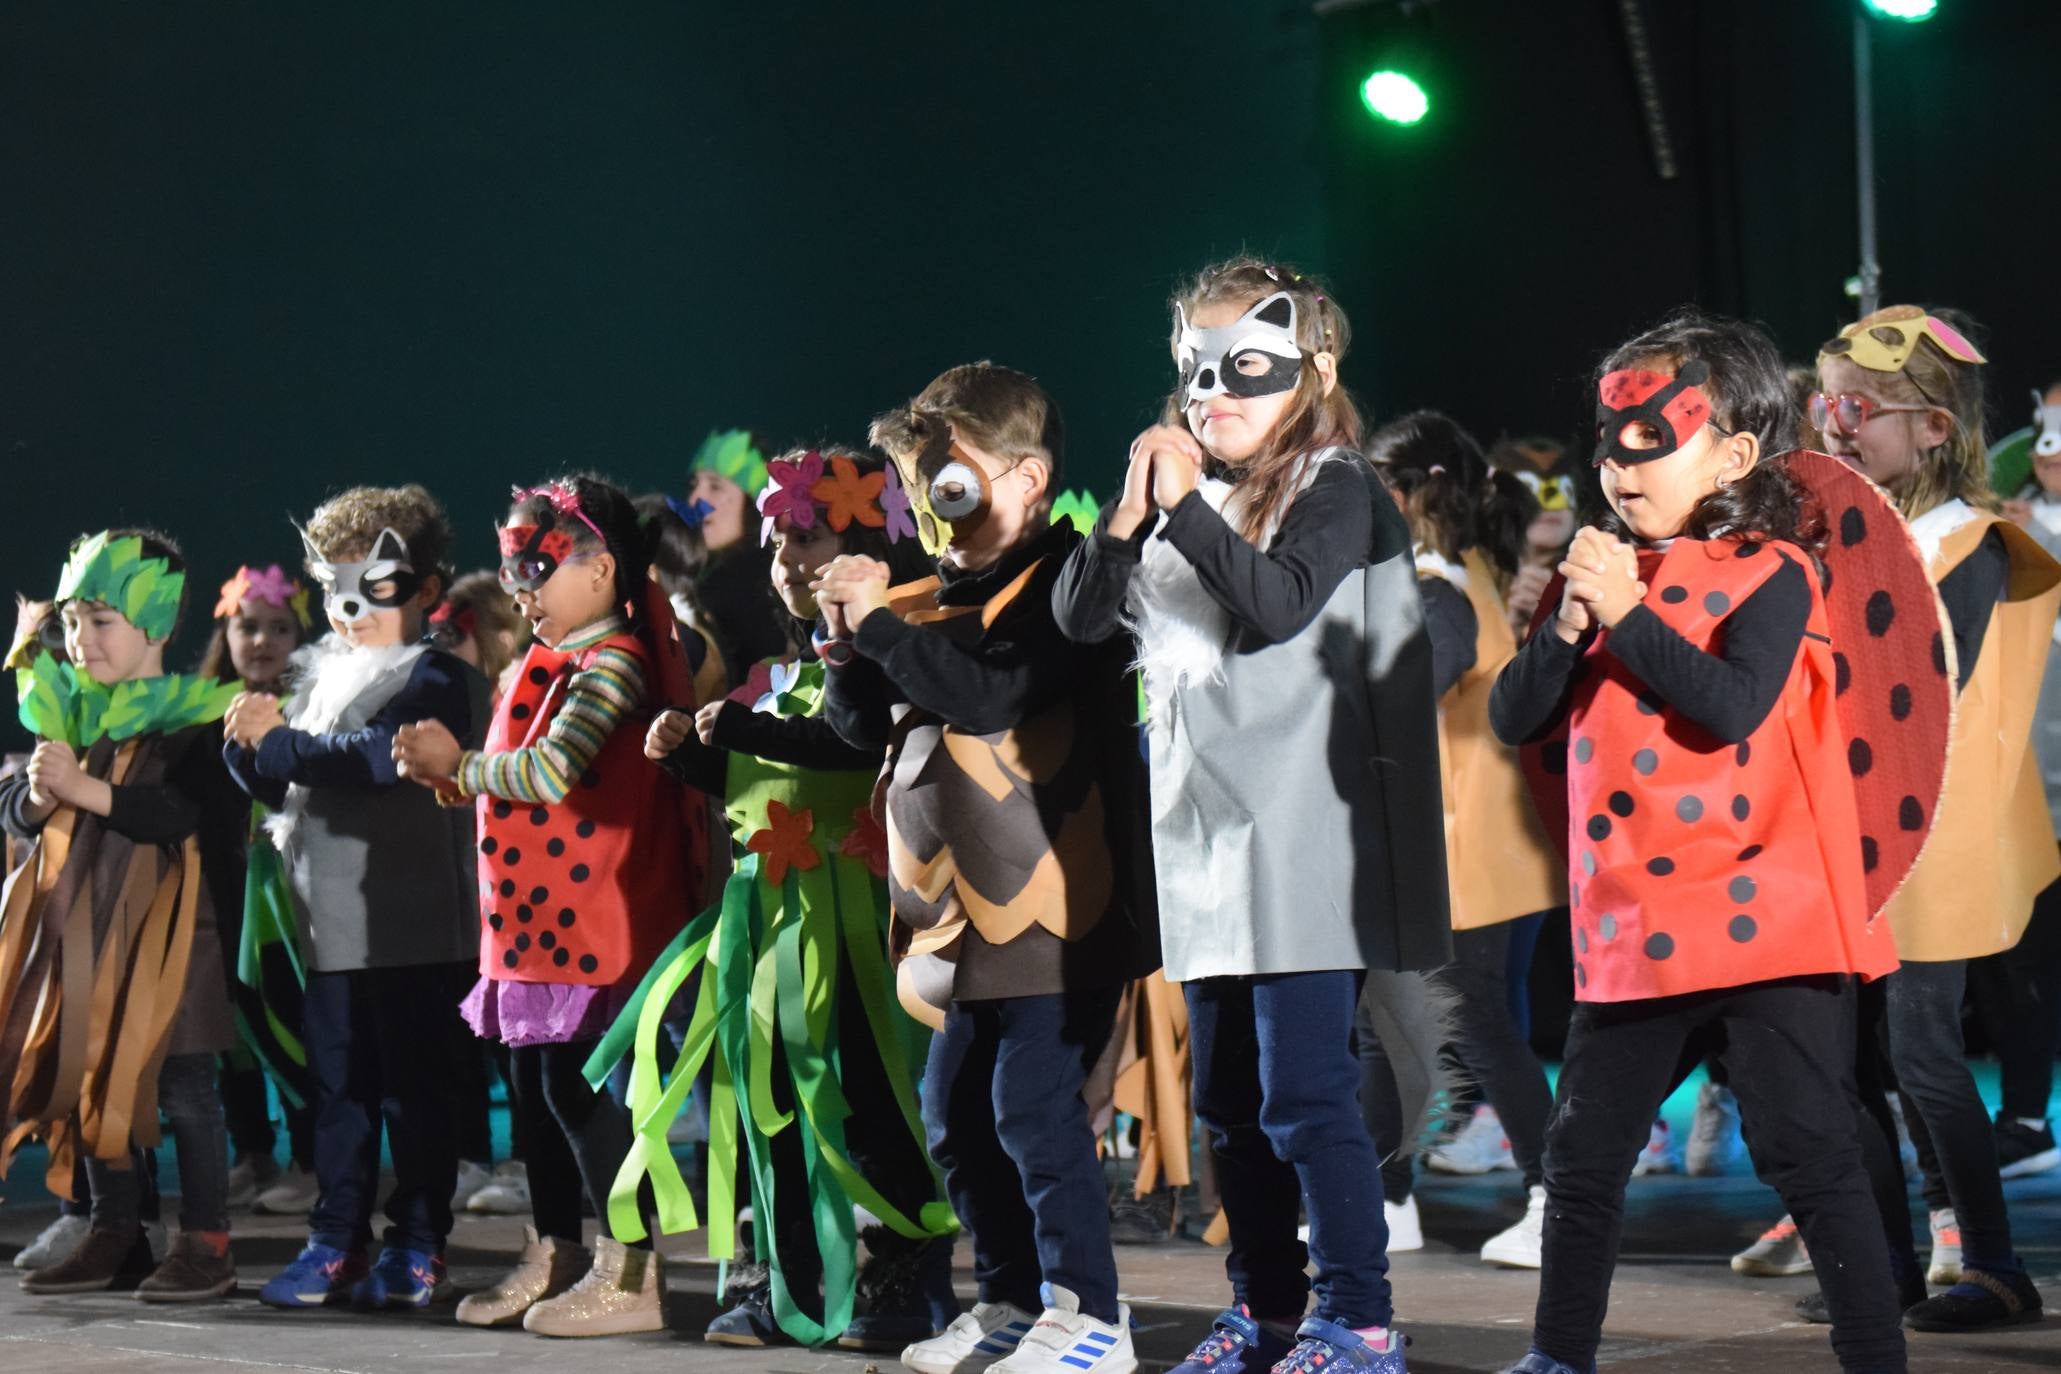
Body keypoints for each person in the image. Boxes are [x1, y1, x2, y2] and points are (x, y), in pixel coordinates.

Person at [1489, 311, 1908, 1374]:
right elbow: (1513, 717)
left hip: (1767, 920)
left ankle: (1876, 1357)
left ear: (1731, 453)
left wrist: (1626, 614)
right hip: (1633, 924)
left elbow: (1729, 707)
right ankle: (1558, 1356)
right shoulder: (1604, 573)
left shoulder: (1772, 571)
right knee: (1581, 1160)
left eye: (1651, 441)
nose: (1619, 468)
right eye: (1608, 442)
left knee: (1808, 1152)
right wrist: (1576, 624)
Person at [1053, 260, 1449, 1374]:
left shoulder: (1337, 485)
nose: (1212, 393)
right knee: (1228, 1099)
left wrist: (1181, 504)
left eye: (1246, 369)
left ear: (1312, 374)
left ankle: (1358, 1316)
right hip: (1204, 830)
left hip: (1309, 830)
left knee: (1305, 1095)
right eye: (1195, 371)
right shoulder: (1199, 495)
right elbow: (1084, 624)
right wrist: (1131, 515)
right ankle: (1266, 1307)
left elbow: (1275, 608)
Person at [816, 363, 1158, 1374]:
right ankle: (1012, 1298)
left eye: (952, 486)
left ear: (1029, 477)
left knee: (1035, 1111)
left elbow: (993, 698)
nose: (932, 511)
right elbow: (856, 735)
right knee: (957, 1113)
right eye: (917, 490)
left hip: (1060, 904)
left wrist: (880, 625)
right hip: (960, 921)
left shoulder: (1076, 586)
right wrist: (845, 653)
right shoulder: (924, 596)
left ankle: (1090, 1314)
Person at [392, 474, 707, 1338]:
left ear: (601, 570)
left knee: (579, 1094)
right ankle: (558, 1249)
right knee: (534, 1093)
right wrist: (452, 777)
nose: (520, 590)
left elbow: (549, 770)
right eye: (513, 572)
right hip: (532, 922)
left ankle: (630, 1268)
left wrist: (455, 765)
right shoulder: (551, 659)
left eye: (538, 569)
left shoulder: (614, 663)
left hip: (592, 917)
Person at [224, 487, 488, 1311]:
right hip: (331, 932)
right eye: (334, 590)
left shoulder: (440, 677)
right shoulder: (319, 679)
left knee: (415, 1094)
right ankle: (337, 1238)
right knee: (339, 1093)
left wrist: (276, 743)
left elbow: (378, 758)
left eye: (374, 589)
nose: (350, 612)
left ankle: (418, 1240)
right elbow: (277, 779)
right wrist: (248, 747)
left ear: (425, 589)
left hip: (414, 926)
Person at [2, 530, 244, 1301]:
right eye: (71, 621)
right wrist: (37, 797)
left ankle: (205, 1242)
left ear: (159, 625)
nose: (80, 639)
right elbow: (20, 816)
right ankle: (115, 1229)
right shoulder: (73, 715)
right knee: (88, 1074)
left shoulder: (201, 717)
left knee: (182, 1091)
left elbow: (185, 815)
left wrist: (86, 792)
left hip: (177, 944)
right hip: (87, 934)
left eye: (101, 620)